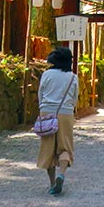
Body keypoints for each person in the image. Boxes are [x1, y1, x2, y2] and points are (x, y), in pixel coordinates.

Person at [37, 47, 78, 196]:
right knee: (65, 147)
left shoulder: (46, 74)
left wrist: (42, 109)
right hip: (66, 113)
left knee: (48, 148)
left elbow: (41, 94)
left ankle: (52, 183)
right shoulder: (73, 77)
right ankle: (62, 173)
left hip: (47, 111)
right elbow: (74, 98)